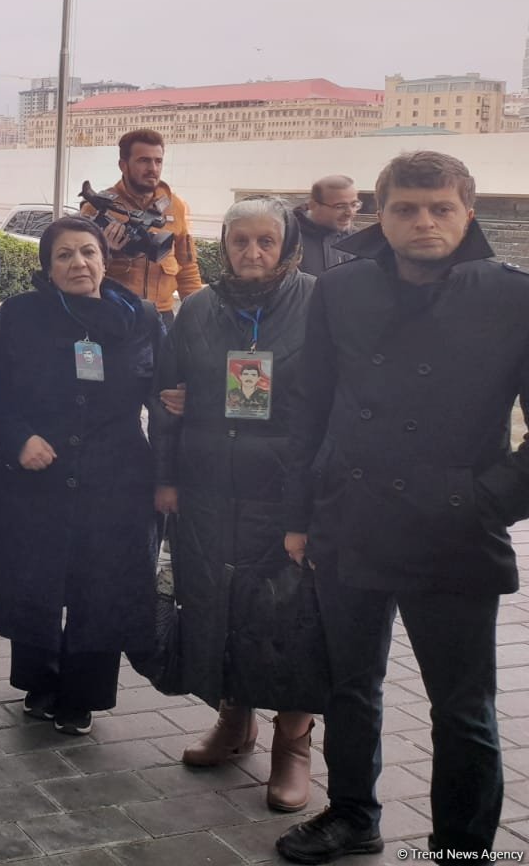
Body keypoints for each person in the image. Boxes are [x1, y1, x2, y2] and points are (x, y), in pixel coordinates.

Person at [276, 151, 529, 864]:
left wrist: (482, 501)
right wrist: (302, 515)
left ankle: (463, 849)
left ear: (467, 212)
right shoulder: (341, 290)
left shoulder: (514, 295)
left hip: (454, 531)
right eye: (406, 208)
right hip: (351, 518)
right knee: (352, 687)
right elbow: (311, 408)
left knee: (463, 710)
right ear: (377, 216)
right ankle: (354, 814)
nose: (424, 221)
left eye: (441, 207)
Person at [154, 196, 322, 815]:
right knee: (221, 606)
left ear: (286, 244)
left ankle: (294, 742)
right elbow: (167, 392)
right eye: (239, 242)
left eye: (265, 241)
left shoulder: (319, 303)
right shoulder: (197, 309)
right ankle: (234, 720)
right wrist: (165, 477)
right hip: (207, 488)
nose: (252, 253)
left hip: (288, 492)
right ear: (221, 247)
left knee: (291, 617)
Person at [0, 216, 163, 735]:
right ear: (47, 267)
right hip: (38, 474)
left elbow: (166, 386)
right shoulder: (19, 316)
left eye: (88, 252)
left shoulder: (140, 316)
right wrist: (17, 439)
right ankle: (39, 681)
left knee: (100, 589)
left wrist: (179, 399)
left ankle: (83, 695)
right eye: (64, 255)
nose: (78, 263)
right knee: (35, 582)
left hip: (116, 479)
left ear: (105, 259)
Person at [81, 128, 202, 326]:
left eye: (158, 161)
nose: (153, 168)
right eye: (144, 160)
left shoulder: (175, 206)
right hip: (115, 312)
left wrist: (198, 315)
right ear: (123, 165)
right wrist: (107, 253)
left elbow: (187, 267)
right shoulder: (97, 208)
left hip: (162, 315)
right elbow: (81, 269)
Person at [293, 175, 359, 277]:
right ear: (313, 205)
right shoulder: (290, 239)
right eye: (340, 206)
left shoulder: (358, 240)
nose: (349, 213)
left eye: (354, 205)